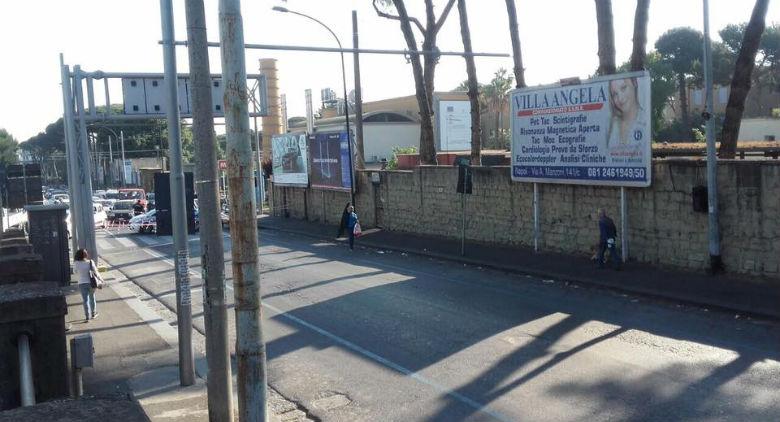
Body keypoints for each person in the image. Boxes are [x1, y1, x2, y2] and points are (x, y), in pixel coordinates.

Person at [606, 77, 647, 147]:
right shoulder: (613, 124)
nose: (620, 98)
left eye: (623, 88)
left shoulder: (645, 120)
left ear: (634, 84)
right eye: (615, 94)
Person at [73, 248, 103, 321]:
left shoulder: (76, 263)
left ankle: (87, 316)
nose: (87, 253)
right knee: (92, 297)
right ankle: (93, 313)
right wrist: (100, 279)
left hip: (81, 283)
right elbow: (96, 272)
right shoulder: (90, 262)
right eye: (86, 252)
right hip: (91, 283)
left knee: (85, 300)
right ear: (84, 255)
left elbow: (75, 272)